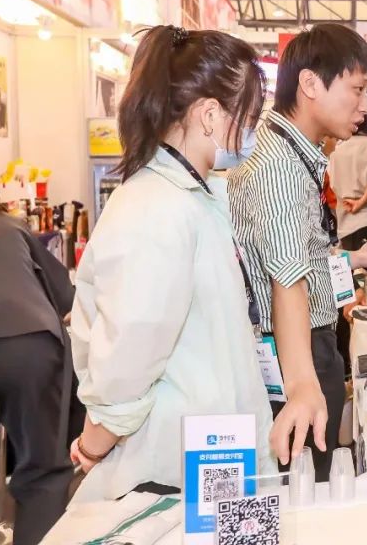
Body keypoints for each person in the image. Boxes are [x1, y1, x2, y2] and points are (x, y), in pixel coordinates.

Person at [69, 26, 275, 501]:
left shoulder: (195, 197)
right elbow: (130, 354)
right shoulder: (156, 209)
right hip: (171, 461)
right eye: (249, 117)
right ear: (210, 115)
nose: (252, 133)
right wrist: (94, 445)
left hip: (211, 448)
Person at [228, 24, 367, 482]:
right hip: (296, 351)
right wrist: (303, 386)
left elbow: (294, 256)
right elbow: (286, 280)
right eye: (358, 89)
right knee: (304, 490)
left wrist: (357, 259)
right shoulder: (279, 166)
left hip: (297, 347)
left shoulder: (289, 152)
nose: (365, 106)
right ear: (310, 84)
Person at [0, 199, 73, 544]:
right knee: (43, 472)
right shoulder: (10, 226)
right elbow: (66, 296)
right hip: (28, 348)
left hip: (25, 344)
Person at [329, 104, 367, 252]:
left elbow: (331, 185)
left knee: (352, 266)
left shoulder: (337, 150)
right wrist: (359, 203)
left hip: (345, 226)